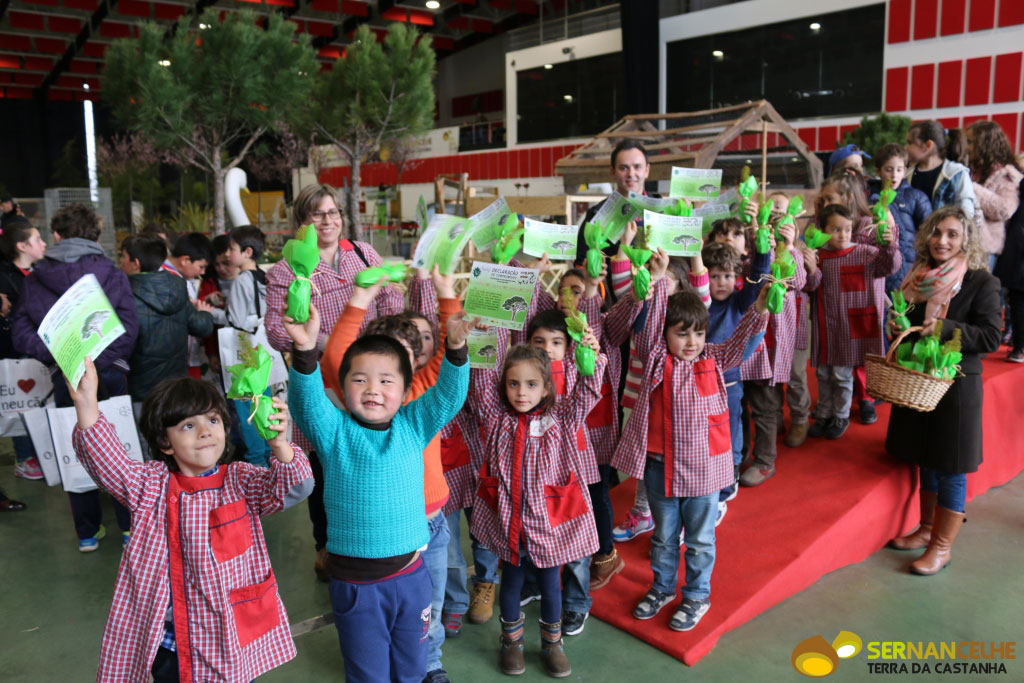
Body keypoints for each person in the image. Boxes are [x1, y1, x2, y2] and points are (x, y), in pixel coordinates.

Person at [69, 357, 312, 682]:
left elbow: (293, 487)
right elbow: (107, 461)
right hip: (170, 642)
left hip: (227, 640)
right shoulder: (148, 485)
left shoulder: (240, 480)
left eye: (212, 420)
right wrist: (86, 405)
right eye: (187, 425)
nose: (204, 432)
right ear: (164, 443)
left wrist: (280, 445)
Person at [283, 302, 472, 683]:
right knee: (368, 673)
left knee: (413, 666)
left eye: (386, 380)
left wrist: (455, 348)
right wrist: (305, 352)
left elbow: (449, 396)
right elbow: (305, 403)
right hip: (356, 586)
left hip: (411, 577)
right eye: (360, 379)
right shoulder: (333, 430)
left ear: (406, 390)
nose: (373, 389)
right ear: (341, 384)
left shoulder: (414, 423)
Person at [611, 272, 770, 633]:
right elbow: (648, 330)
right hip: (659, 469)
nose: (691, 341)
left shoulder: (714, 358)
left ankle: (697, 594)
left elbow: (741, 344)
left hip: (704, 473)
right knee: (664, 538)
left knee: (699, 541)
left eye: (697, 333)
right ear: (665, 335)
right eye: (681, 333)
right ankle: (663, 588)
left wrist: (760, 308)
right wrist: (652, 286)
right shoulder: (655, 358)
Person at [264, 183, 404, 578]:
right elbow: (276, 329)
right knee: (324, 464)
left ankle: (372, 535)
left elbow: (391, 301)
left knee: (370, 455)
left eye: (333, 212)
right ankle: (326, 545)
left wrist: (380, 342)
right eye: (317, 214)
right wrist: (324, 342)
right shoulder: (287, 268)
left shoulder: (363, 253)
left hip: (372, 375)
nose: (327, 221)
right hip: (321, 379)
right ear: (302, 221)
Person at [467, 337, 606, 678]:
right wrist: (483, 336)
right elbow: (482, 381)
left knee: (550, 585)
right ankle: (511, 643)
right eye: (513, 383)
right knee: (511, 582)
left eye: (531, 384)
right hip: (509, 523)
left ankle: (551, 644)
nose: (521, 392)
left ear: (546, 389)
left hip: (549, 527)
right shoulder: (497, 417)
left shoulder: (562, 418)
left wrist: (590, 356)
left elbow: (588, 393)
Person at [11, 203, 139, 551]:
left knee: (76, 447)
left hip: (64, 376)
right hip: (110, 374)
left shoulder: (36, 278)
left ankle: (87, 532)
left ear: (56, 235)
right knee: (120, 445)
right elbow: (129, 328)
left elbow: (21, 332)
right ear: (96, 235)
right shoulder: (111, 273)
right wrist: (100, 360)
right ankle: (128, 527)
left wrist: (61, 358)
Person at [885, 206, 1001, 575]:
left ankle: (942, 547)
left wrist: (945, 327)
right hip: (920, 382)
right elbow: (911, 328)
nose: (942, 241)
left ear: (965, 239)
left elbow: (991, 337)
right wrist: (897, 323)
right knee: (926, 456)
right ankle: (925, 529)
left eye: (952, 234)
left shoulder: (982, 282)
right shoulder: (917, 277)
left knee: (951, 466)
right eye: (936, 233)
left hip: (958, 386)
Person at [804, 205, 899, 440]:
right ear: (822, 230)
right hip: (826, 327)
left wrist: (890, 245)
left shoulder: (865, 252)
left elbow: (889, 266)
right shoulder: (819, 254)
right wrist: (812, 268)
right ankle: (824, 412)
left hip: (849, 329)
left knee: (842, 375)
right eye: (835, 229)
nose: (843, 235)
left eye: (847, 229)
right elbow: (811, 285)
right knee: (824, 374)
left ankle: (841, 414)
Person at [739, 213, 807, 488]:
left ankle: (765, 461)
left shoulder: (789, 260)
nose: (773, 238)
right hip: (743, 344)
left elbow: (799, 281)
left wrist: (790, 248)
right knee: (740, 406)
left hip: (769, 347)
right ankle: (738, 455)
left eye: (780, 232)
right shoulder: (748, 262)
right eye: (768, 233)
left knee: (766, 405)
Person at [119, 234, 214, 414]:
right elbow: (201, 326)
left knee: (145, 436)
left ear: (136, 263)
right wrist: (204, 314)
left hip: (141, 388)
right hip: (176, 385)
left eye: (123, 256)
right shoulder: (177, 286)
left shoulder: (125, 293)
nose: (121, 261)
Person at [701, 240, 769, 492]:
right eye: (714, 276)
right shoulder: (701, 304)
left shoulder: (738, 302)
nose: (720, 282)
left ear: (736, 277)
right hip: (702, 383)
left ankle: (730, 479)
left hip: (729, 382)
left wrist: (762, 250)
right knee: (707, 432)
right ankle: (710, 475)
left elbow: (758, 282)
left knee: (731, 430)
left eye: (727, 276)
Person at [0, 217, 48, 480]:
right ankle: (25, 457)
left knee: (40, 401)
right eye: (37, 239)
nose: (43, 244)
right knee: (19, 403)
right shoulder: (5, 277)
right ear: (22, 246)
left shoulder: (43, 272)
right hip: (15, 351)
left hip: (41, 349)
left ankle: (44, 455)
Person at [870, 143, 933, 294]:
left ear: (905, 170)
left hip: (908, 267)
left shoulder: (916, 197)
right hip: (877, 267)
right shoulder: (870, 199)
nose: (894, 175)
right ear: (878, 171)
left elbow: (929, 229)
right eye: (888, 169)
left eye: (899, 170)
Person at [966, 121, 1022, 269]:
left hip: (986, 250)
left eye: (970, 142)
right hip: (963, 245)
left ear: (985, 144)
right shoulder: (970, 170)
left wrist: (971, 187)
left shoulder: (1007, 175)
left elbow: (1004, 210)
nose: (967, 147)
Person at [163, 232, 214, 379]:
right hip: (174, 361)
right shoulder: (167, 278)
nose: (202, 272)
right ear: (185, 260)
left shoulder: (181, 276)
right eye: (201, 266)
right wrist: (199, 313)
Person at [906, 120, 977, 217]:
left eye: (910, 143)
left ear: (928, 146)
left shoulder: (956, 174)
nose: (906, 148)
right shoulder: (906, 175)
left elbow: (967, 214)